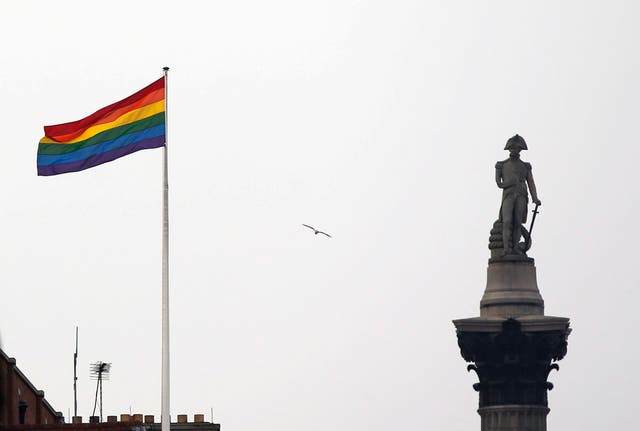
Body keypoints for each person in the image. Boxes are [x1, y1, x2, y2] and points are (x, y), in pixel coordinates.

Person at [495, 134, 541, 255]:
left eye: (517, 148)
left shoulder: (525, 166)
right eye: (512, 148)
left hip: (521, 195)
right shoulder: (502, 165)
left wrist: (535, 198)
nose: (514, 150)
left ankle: (515, 248)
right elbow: (499, 183)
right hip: (508, 195)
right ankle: (506, 249)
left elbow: (531, 183)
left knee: (517, 222)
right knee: (507, 221)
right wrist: (509, 183)